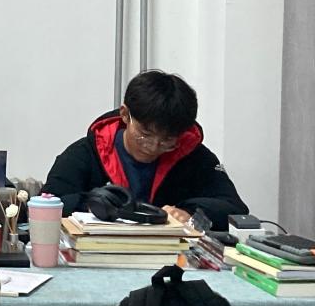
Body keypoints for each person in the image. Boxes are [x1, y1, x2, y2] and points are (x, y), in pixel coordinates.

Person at [42, 70, 248, 231]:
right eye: (145, 134)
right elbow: (45, 205)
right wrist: (94, 203)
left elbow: (235, 208)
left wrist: (190, 211)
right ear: (125, 115)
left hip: (173, 260)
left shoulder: (195, 157)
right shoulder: (85, 153)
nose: (153, 147)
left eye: (167, 140)